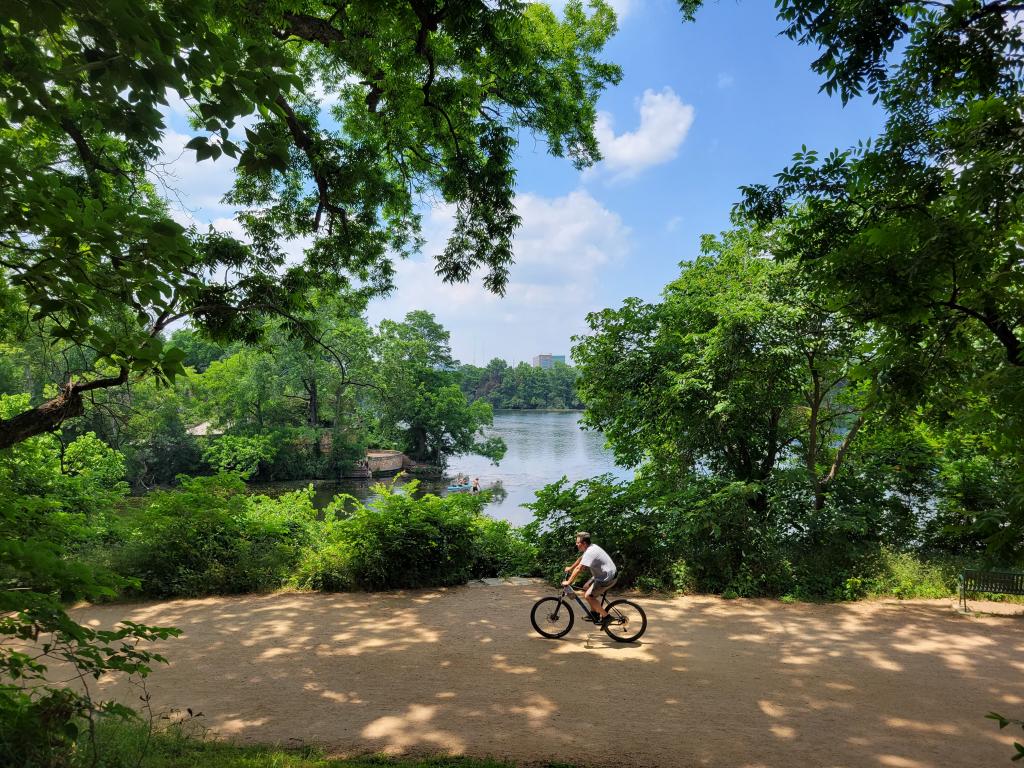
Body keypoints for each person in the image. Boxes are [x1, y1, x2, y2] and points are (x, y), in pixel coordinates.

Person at [562, 531, 617, 627]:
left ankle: (607, 617)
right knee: (586, 587)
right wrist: (570, 568)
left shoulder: (590, 552)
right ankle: (594, 613)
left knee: (588, 596)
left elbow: (579, 568)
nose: (576, 544)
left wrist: (569, 581)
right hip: (602, 574)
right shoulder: (590, 548)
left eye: (577, 542)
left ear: (584, 543)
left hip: (607, 577)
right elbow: (580, 559)